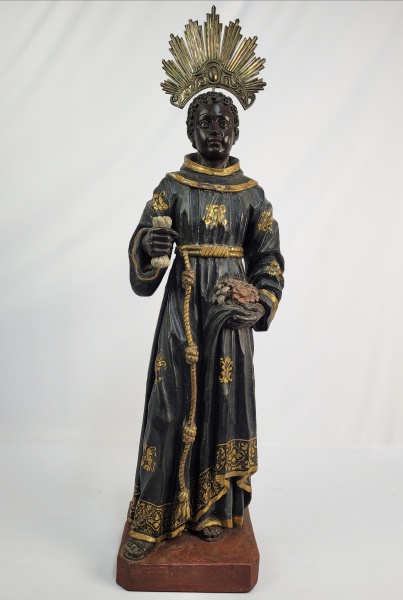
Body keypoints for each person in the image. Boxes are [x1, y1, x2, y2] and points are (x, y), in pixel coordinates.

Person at [123, 91, 284, 561]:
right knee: (169, 404)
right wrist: (150, 246)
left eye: (223, 123)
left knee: (223, 404)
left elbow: (269, 258)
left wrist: (263, 302)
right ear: (191, 131)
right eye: (206, 123)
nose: (216, 132)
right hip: (184, 310)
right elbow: (146, 249)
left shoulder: (251, 194)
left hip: (229, 316)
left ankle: (212, 508)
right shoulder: (172, 188)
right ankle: (153, 514)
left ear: (237, 130)